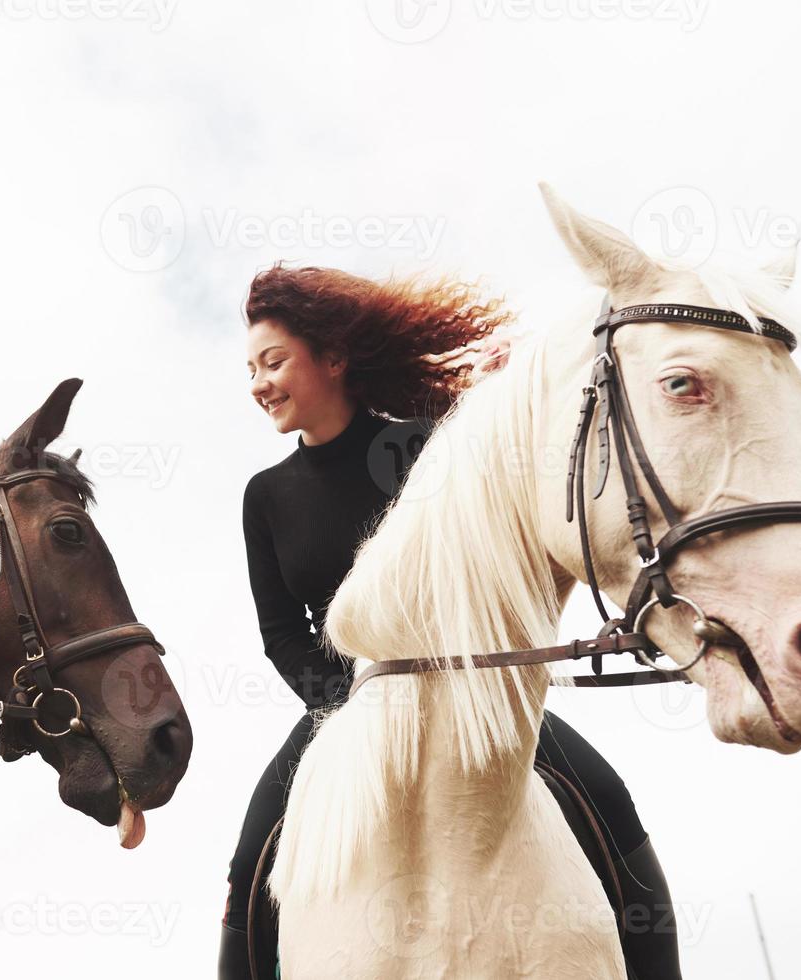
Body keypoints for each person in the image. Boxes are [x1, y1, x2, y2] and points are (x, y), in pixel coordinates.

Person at [220, 263, 682, 979]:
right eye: (250, 369)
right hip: (340, 706)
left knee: (607, 799)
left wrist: (491, 395)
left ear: (332, 359)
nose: (257, 383)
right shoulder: (265, 495)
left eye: (273, 361)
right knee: (252, 858)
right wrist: (344, 707)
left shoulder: (422, 443)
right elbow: (280, 632)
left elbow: (499, 505)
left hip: (466, 689)